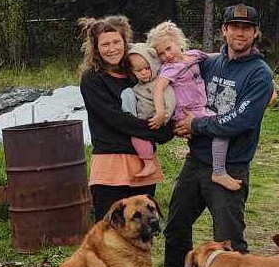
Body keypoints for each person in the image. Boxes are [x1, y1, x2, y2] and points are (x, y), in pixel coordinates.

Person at [145, 4, 274, 267]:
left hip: (230, 165)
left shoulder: (259, 74)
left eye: (247, 28)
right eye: (234, 26)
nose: (240, 33)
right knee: (176, 225)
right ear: (224, 31)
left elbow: (242, 120)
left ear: (256, 33)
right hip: (196, 160)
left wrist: (196, 124)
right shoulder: (209, 62)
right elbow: (173, 76)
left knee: (228, 239)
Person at [78, 16, 175, 221]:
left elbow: (159, 104)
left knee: (143, 229)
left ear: (125, 42)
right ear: (96, 48)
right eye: (105, 44)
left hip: (143, 164)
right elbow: (116, 120)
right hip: (110, 166)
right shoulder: (92, 79)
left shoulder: (137, 74)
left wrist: (169, 126)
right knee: (110, 231)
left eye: (116, 42)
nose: (112, 49)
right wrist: (160, 131)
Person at [146, 20, 241, 191]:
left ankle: (209, 165)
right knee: (222, 129)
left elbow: (215, 57)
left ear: (178, 42)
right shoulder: (170, 68)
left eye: (168, 48)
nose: (166, 55)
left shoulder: (194, 56)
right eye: (161, 54)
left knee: (221, 127)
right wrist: (160, 113)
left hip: (201, 108)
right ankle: (219, 172)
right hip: (186, 111)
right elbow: (158, 88)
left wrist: (238, 61)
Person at [121, 43, 176, 179]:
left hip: (156, 120)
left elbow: (170, 100)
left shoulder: (160, 83)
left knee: (139, 136)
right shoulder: (136, 88)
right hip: (141, 120)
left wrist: (164, 117)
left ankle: (149, 162)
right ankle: (147, 161)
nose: (144, 72)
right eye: (138, 70)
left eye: (147, 68)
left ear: (154, 64)